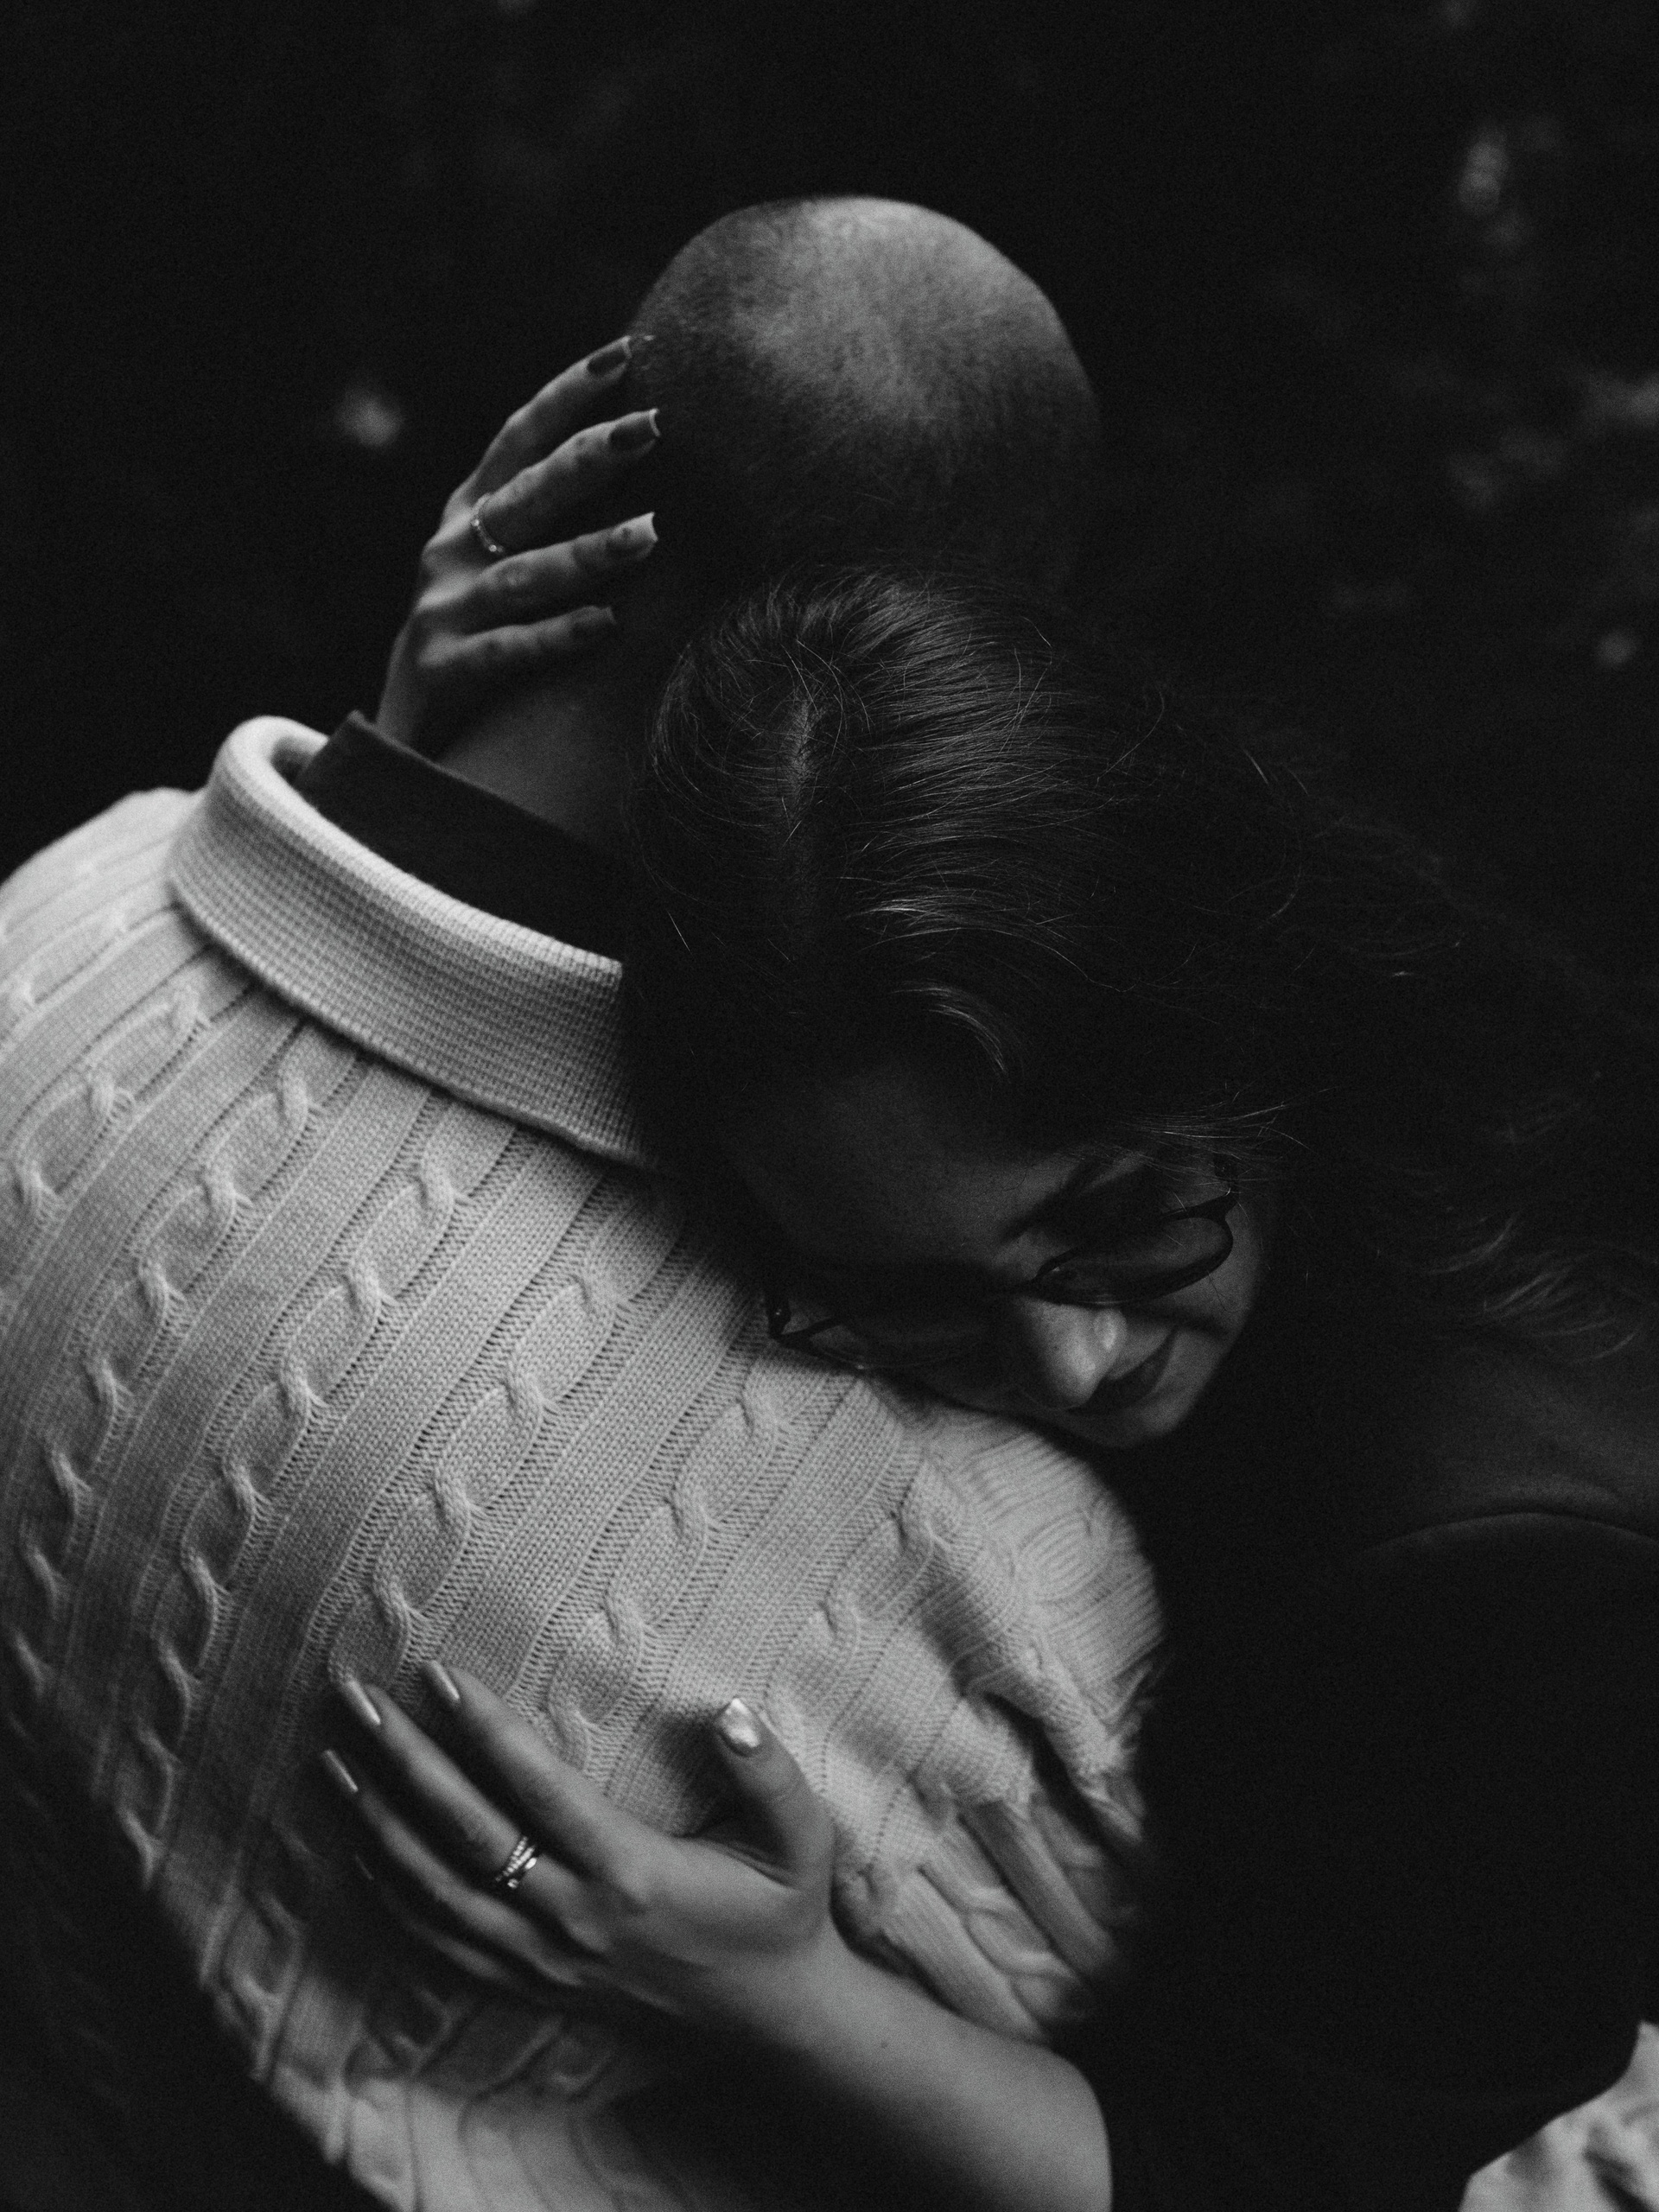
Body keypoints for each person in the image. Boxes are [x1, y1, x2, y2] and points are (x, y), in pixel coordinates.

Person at [0, 203, 1156, 2212]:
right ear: (947, 673)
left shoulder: (53, 921)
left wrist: (402, 756)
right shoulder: (951, 1529)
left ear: (577, 452)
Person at [320, 563, 1659, 2212]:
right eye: (912, 1296)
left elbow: (1268, 2181)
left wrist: (775, 1992)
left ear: (1238, 1018)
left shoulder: (1492, 1581)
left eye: (1122, 1218)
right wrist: (417, 764)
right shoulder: (1335, 1016)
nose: (1068, 1362)